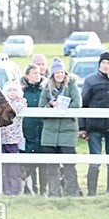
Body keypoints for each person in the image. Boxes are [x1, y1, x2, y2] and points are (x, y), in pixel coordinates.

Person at [39, 57, 82, 197]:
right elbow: (41, 108)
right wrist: (50, 106)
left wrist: (62, 104)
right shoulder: (47, 90)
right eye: (56, 72)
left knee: (69, 165)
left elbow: (77, 104)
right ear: (52, 74)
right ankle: (54, 193)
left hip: (67, 132)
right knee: (52, 166)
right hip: (50, 133)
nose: (59, 75)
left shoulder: (71, 86)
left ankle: (71, 193)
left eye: (61, 72)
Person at [80, 51, 109, 195]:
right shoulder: (91, 80)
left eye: (108, 63)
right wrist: (82, 127)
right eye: (103, 63)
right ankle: (92, 192)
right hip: (94, 126)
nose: (105, 66)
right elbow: (83, 103)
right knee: (95, 160)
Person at [20, 63, 47, 195]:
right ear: (27, 76)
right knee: (30, 162)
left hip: (42, 129)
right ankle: (32, 189)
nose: (38, 75)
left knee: (43, 162)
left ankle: (43, 189)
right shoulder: (22, 92)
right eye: (34, 73)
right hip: (28, 130)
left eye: (39, 73)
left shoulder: (44, 91)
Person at [1, 81, 26, 195]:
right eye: (9, 90)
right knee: (3, 166)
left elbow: (12, 111)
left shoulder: (20, 102)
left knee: (13, 166)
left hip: (13, 139)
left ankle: (15, 190)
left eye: (14, 90)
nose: (12, 93)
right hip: (1, 138)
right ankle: (5, 189)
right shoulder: (2, 102)